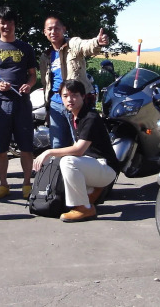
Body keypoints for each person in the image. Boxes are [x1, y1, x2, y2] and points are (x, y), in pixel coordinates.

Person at [33, 79, 119, 222]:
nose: (69, 99)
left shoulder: (90, 117)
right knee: (64, 162)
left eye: (74, 95)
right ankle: (92, 193)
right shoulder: (74, 116)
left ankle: (84, 208)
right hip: (92, 165)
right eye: (65, 96)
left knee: (68, 161)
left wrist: (48, 152)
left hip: (106, 168)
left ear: (83, 96)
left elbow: (79, 150)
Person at [0, 6, 37, 199]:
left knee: (26, 146)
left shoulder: (26, 48)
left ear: (15, 24)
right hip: (0, 104)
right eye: (2, 23)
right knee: (0, 147)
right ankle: (3, 184)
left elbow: (32, 75)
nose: (6, 26)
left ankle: (27, 184)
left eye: (9, 22)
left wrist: (29, 85)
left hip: (22, 103)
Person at [39, 16, 109, 148]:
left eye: (56, 28)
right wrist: (48, 109)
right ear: (45, 32)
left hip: (76, 103)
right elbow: (46, 84)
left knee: (80, 143)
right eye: (50, 29)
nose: (53, 32)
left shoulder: (73, 44)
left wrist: (97, 42)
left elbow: (86, 46)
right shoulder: (45, 56)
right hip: (55, 104)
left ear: (63, 29)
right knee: (57, 144)